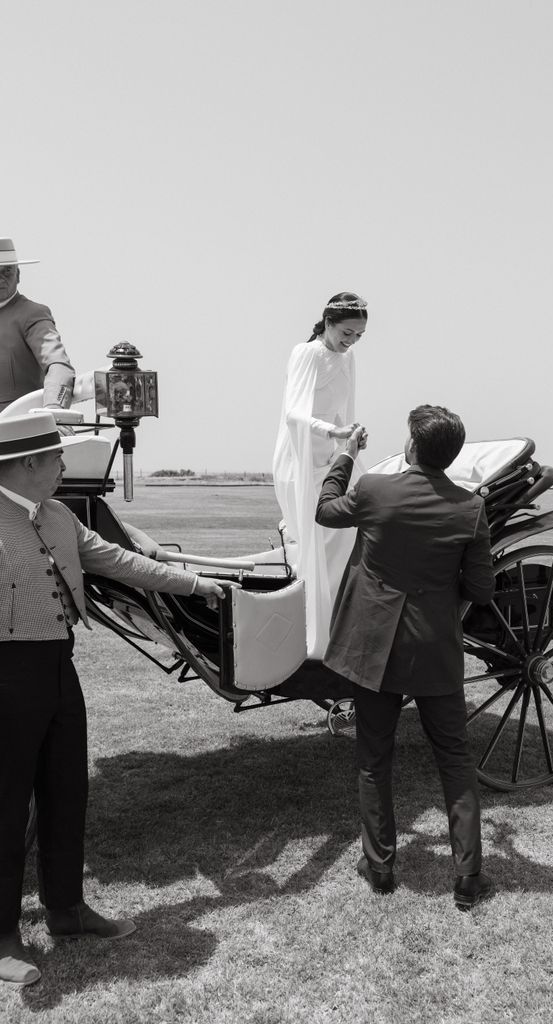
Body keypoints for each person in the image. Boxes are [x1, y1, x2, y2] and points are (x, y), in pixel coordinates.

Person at [0, 412, 234, 987]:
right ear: (27, 463)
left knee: (66, 792)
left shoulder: (54, 517)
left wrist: (197, 583)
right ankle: (3, 935)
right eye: (56, 458)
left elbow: (122, 562)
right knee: (4, 809)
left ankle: (67, 911)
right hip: (4, 677)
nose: (62, 467)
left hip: (58, 669)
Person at [315, 405, 496, 908]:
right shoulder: (469, 509)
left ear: (413, 447)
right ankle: (467, 878)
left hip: (374, 647)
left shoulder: (375, 489)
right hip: (434, 648)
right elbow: (482, 590)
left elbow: (325, 509)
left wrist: (344, 455)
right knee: (455, 761)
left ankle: (380, 868)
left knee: (375, 759)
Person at [272, 291, 368, 659]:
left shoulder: (349, 357)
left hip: (330, 457)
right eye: (347, 333)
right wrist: (332, 431)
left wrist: (351, 437)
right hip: (299, 459)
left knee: (346, 536)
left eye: (358, 336)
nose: (351, 342)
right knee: (316, 543)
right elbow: (294, 414)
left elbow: (346, 410)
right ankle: (314, 635)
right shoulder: (307, 352)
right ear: (328, 323)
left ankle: (336, 628)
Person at [0, 238, 75, 413]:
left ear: (18, 275)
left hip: (18, 428)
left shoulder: (31, 314)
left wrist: (54, 409)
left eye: (7, 271)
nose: (1, 278)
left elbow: (58, 365)